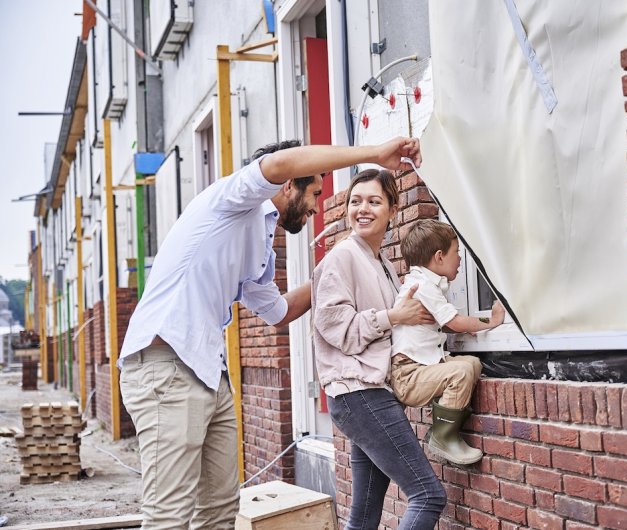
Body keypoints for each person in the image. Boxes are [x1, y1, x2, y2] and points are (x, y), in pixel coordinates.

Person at [118, 137, 421, 530]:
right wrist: (374, 154)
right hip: (167, 368)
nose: (316, 207)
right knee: (169, 516)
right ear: (288, 184)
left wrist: (334, 269)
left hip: (209, 375)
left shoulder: (259, 244)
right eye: (315, 193)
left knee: (219, 511)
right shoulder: (232, 199)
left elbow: (279, 312)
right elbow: (278, 163)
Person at [313, 168, 448, 529]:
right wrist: (393, 316)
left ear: (393, 209)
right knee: (428, 495)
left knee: (364, 515)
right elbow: (336, 327)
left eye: (374, 201)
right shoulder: (343, 256)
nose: (363, 209)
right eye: (355, 201)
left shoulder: (382, 263)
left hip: (366, 393)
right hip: (360, 393)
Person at [390, 219, 505, 465]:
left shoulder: (426, 284)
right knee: (461, 372)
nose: (460, 259)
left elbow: (448, 322)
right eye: (457, 252)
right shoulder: (423, 286)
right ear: (439, 257)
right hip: (408, 375)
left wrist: (468, 326)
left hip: (420, 368)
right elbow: (454, 321)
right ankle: (444, 437)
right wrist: (492, 321)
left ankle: (441, 430)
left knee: (472, 363)